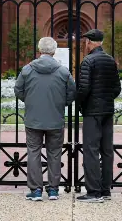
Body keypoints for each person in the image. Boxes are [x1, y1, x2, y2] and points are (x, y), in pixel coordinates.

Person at [14, 36, 76, 201]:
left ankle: (35, 191)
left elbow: (18, 90)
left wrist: (30, 101)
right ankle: (54, 190)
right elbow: (71, 92)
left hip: (33, 119)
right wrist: (61, 104)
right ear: (54, 51)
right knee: (54, 153)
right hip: (55, 119)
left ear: (39, 50)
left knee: (33, 152)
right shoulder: (63, 71)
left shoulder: (27, 69)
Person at [76, 28, 121, 203]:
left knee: (91, 150)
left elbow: (84, 88)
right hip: (107, 111)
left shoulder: (88, 61)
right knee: (107, 150)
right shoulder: (110, 60)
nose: (85, 44)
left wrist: (79, 103)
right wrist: (106, 99)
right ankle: (105, 190)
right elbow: (117, 88)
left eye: (86, 41)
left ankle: (93, 192)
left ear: (90, 42)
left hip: (92, 111)